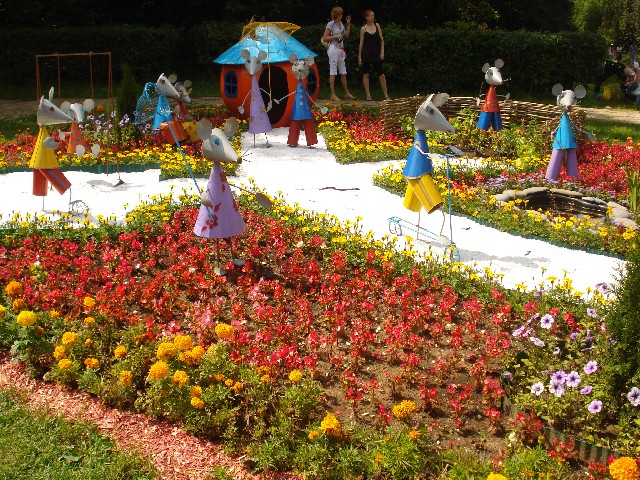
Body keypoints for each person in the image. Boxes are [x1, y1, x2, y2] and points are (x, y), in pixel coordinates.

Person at [323, 6, 355, 101]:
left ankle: (347, 93)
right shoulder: (331, 24)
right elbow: (324, 38)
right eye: (341, 14)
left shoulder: (341, 24)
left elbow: (346, 35)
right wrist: (336, 36)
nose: (342, 15)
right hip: (333, 49)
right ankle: (333, 95)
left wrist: (348, 24)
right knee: (333, 71)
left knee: (343, 72)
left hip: (341, 50)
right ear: (337, 15)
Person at [358, 10, 389, 101]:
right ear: (366, 17)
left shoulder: (377, 25)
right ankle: (368, 95)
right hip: (366, 54)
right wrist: (359, 57)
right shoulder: (363, 29)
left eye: (373, 15)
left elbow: (382, 40)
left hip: (376, 54)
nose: (373, 17)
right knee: (366, 74)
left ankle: (386, 95)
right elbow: (361, 43)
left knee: (381, 74)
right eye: (371, 16)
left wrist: (382, 52)